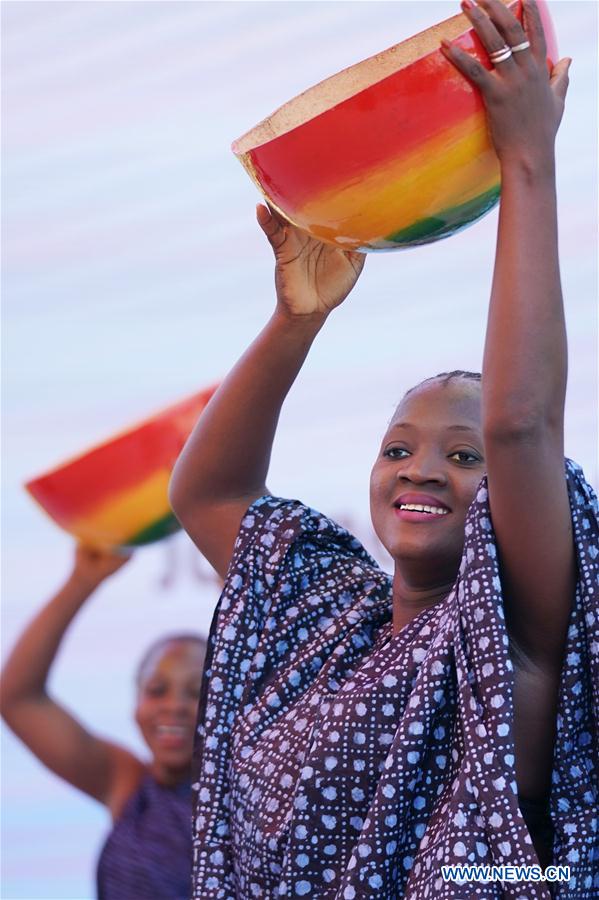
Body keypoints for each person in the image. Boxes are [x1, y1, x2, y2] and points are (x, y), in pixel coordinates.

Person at [169, 0, 598, 896]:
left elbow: (522, 422)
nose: (421, 468)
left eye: (462, 456)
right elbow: (207, 498)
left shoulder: (511, 634)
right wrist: (296, 318)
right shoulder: (323, 632)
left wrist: (527, 162)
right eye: (397, 447)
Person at [0, 544, 207, 900]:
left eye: (197, 693)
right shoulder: (128, 784)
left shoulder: (256, 793)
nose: (175, 706)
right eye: (157, 690)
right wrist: (82, 580)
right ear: (136, 706)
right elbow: (18, 699)